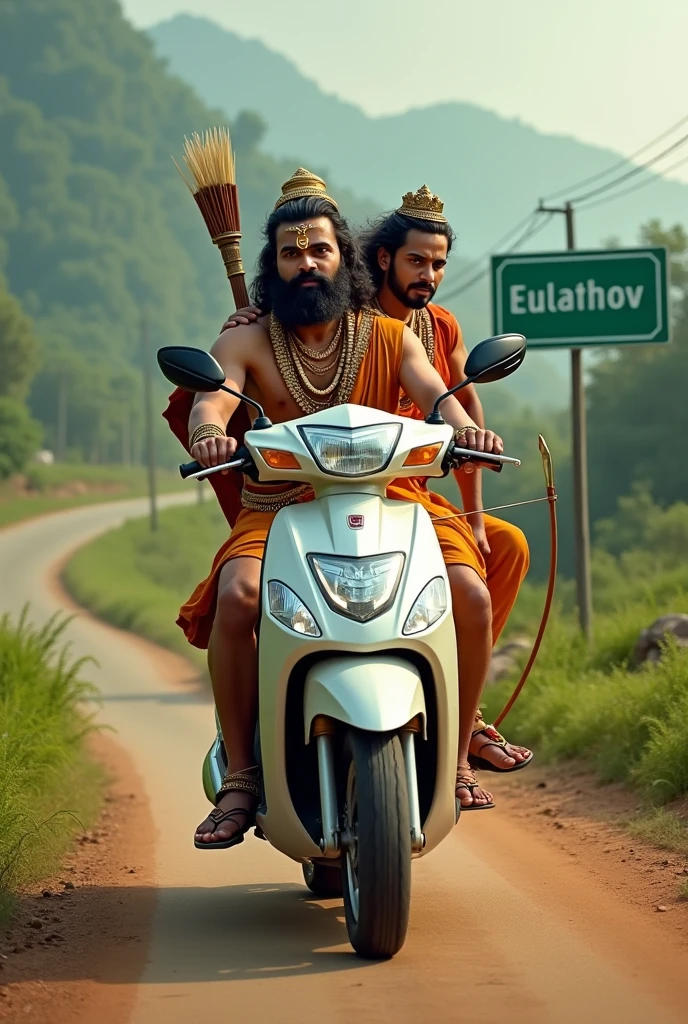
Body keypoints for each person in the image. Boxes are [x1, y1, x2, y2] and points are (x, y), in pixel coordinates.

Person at [164, 169, 506, 848]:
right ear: (274, 263)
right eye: (290, 252)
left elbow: (438, 394)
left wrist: (463, 428)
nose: (305, 263)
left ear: (343, 256)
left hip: (391, 496)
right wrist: (208, 426)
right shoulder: (246, 338)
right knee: (237, 596)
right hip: (278, 505)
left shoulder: (387, 335)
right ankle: (241, 776)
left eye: (318, 249)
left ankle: (459, 755)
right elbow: (216, 393)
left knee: (469, 595)